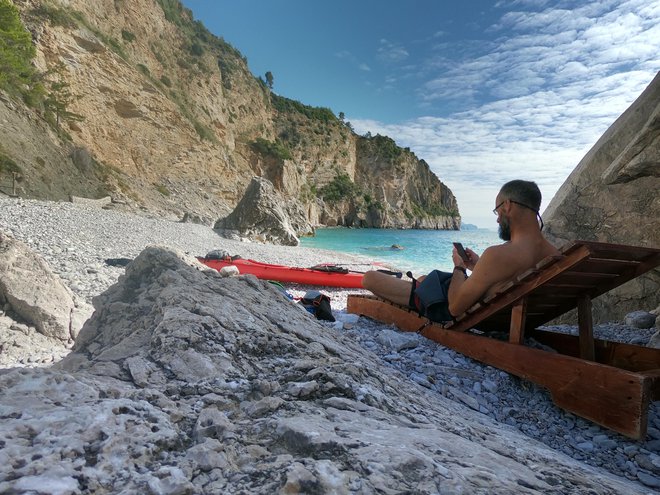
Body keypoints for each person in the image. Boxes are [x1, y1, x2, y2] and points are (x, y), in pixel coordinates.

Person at [361, 180, 560, 321]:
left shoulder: (498, 255)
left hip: (446, 308)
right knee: (423, 279)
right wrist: (478, 265)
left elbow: (455, 307)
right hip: (508, 316)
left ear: (507, 206)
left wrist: (459, 267)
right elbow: (506, 278)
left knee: (369, 277)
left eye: (497, 210)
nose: (498, 219)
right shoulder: (555, 255)